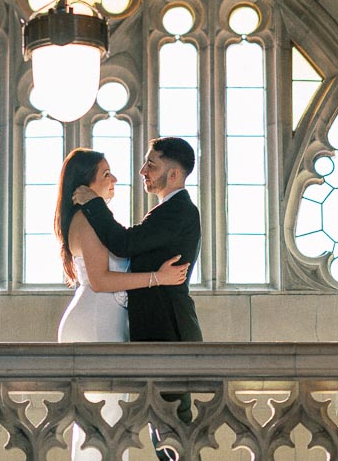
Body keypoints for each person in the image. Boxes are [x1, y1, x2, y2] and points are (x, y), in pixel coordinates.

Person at [73, 137, 202, 458]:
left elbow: (124, 243)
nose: (142, 170)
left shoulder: (179, 211)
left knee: (174, 436)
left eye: (151, 164)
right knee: (165, 435)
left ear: (173, 175)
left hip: (168, 334)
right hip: (152, 333)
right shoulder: (166, 210)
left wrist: (93, 203)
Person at [55, 148, 189, 343]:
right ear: (86, 183)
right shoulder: (85, 219)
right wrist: (158, 278)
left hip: (108, 317)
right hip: (95, 318)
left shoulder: (94, 218)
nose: (114, 179)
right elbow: (100, 281)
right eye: (106, 174)